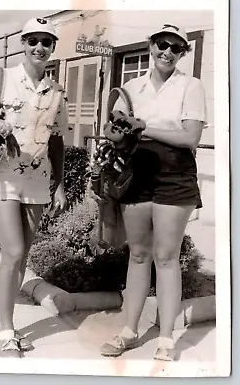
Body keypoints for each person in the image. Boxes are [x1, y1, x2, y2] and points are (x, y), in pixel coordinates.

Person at [0, 17, 68, 358]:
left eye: (46, 42)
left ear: (52, 48)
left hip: (37, 180)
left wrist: (60, 184)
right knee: (14, 252)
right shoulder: (2, 79)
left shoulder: (57, 93)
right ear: (23, 43)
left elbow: (57, 142)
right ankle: (7, 330)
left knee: (20, 259)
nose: (39, 47)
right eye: (33, 40)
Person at [100, 23, 206, 361]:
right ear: (151, 45)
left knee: (166, 257)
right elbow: (120, 133)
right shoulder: (132, 87)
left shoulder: (191, 86)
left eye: (176, 48)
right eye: (162, 44)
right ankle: (128, 331)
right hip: (137, 172)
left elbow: (190, 138)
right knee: (139, 255)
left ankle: (165, 339)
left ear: (182, 53)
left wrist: (145, 126)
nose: (168, 52)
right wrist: (116, 135)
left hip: (175, 174)